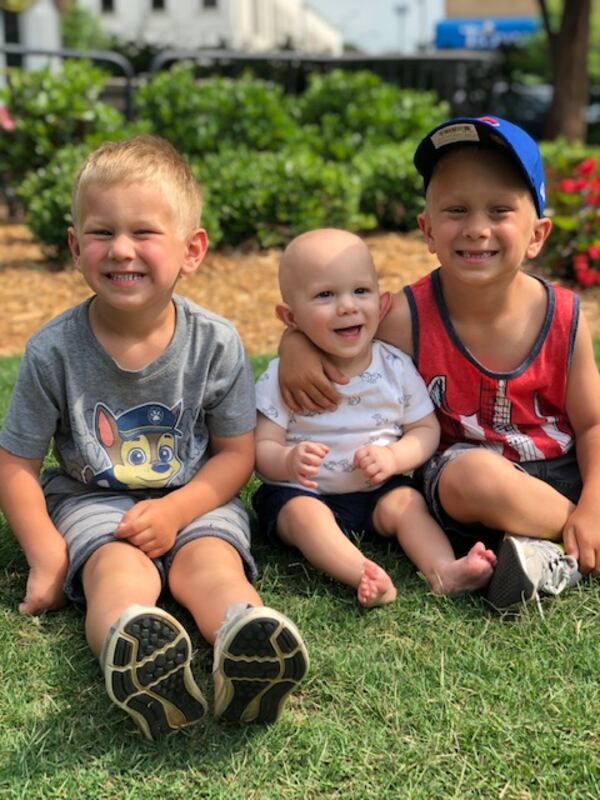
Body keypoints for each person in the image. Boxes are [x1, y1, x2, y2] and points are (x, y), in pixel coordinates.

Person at [0, 135, 308, 740]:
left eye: (143, 232)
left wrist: (176, 511)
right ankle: (134, 648)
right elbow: (16, 464)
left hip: (197, 498)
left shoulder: (215, 344)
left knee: (212, 567)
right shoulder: (52, 351)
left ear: (192, 250)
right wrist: (46, 557)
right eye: (100, 232)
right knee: (117, 575)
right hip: (94, 505)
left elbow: (235, 456)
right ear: (74, 246)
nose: (120, 250)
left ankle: (245, 641)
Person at [276, 116, 600, 612]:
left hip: (559, 472)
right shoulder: (407, 317)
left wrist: (593, 501)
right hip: (464, 483)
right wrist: (293, 346)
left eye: (499, 210)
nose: (476, 228)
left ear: (537, 234)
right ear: (427, 230)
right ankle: (573, 534)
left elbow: (593, 423)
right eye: (455, 209)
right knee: (474, 476)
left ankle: (547, 553)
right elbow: (340, 336)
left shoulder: (564, 317)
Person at [253, 228, 498, 608]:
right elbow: (262, 446)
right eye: (325, 295)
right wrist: (286, 460)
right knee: (303, 516)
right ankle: (363, 573)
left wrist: (394, 458)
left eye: (360, 291)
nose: (347, 306)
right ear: (291, 317)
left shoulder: (395, 367)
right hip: (304, 491)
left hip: (377, 490)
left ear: (382, 304)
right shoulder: (282, 376)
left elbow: (424, 429)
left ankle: (444, 570)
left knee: (407, 504)